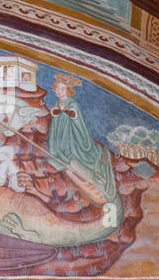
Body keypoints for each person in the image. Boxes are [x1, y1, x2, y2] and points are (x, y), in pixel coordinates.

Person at [44, 73, 116, 205]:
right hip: (59, 134)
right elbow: (54, 112)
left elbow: (76, 117)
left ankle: (90, 175)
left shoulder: (72, 103)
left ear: (68, 91)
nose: (59, 92)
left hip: (72, 135)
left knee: (75, 155)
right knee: (55, 151)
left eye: (62, 89)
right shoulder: (57, 102)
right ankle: (59, 153)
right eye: (57, 89)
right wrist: (57, 111)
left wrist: (65, 111)